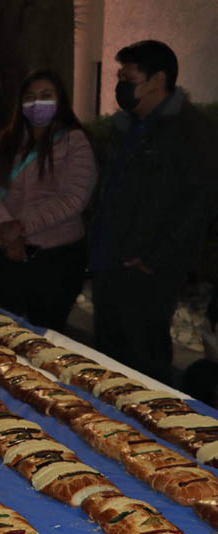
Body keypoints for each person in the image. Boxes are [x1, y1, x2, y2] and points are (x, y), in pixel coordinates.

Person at [89, 40, 218, 383]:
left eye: (128, 78)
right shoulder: (124, 128)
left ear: (157, 80)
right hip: (109, 262)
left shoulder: (192, 131)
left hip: (149, 271)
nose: (121, 85)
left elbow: (198, 205)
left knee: (143, 364)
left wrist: (156, 256)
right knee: (105, 361)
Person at [0, 69, 96, 332]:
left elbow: (74, 198)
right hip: (6, 253)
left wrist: (21, 226)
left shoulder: (75, 141)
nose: (37, 103)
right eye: (29, 97)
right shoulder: (7, 141)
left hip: (56, 261)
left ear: (60, 100)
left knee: (42, 338)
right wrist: (5, 230)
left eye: (45, 95)